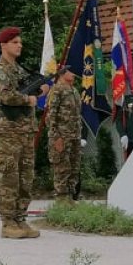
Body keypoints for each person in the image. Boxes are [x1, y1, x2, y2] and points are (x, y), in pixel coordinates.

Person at [0, 26, 49, 239]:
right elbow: (4, 95)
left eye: (20, 42)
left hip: (25, 131)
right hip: (8, 132)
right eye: (15, 42)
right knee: (9, 176)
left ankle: (20, 218)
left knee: (25, 177)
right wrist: (28, 99)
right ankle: (7, 222)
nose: (19, 45)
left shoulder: (19, 70)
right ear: (3, 45)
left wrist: (41, 89)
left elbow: (29, 87)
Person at [46, 67, 82, 204]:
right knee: (62, 167)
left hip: (74, 136)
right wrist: (56, 137)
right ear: (63, 73)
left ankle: (71, 196)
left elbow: (78, 115)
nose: (73, 74)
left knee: (74, 166)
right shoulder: (57, 90)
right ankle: (61, 198)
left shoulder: (74, 91)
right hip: (62, 136)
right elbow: (51, 115)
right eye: (71, 71)